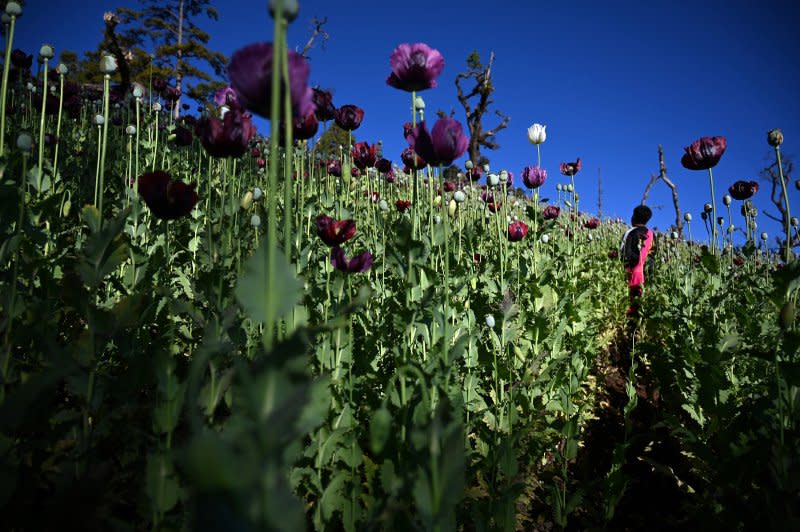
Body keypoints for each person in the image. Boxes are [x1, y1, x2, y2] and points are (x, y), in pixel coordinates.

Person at [620, 205, 654, 318]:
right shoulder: (652, 235)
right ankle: (636, 330)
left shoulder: (630, 233)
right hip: (643, 275)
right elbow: (652, 257)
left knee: (627, 303)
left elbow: (624, 253)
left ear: (633, 217)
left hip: (629, 273)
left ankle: (627, 329)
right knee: (638, 304)